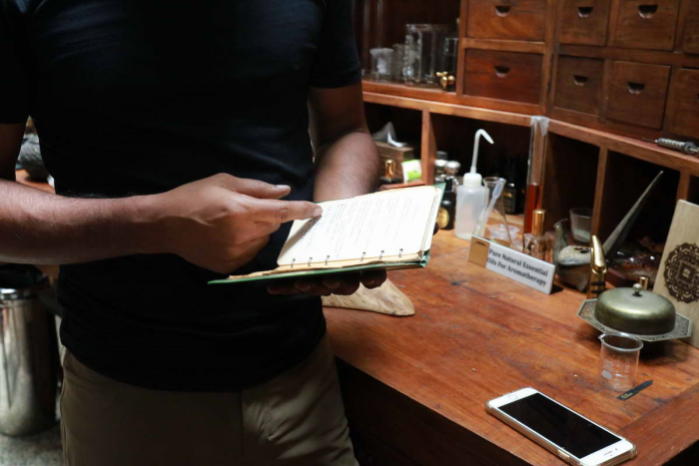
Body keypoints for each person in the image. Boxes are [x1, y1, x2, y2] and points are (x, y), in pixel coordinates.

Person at [0, 1, 385, 464]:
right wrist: (156, 224)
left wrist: (335, 231)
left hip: (302, 379)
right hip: (128, 397)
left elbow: (346, 129)